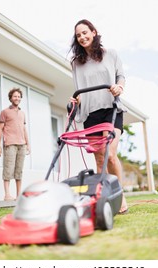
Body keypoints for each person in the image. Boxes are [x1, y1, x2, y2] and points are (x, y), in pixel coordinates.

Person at [70, 19, 128, 214]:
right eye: (78, 35)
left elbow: (121, 76)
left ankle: (119, 197)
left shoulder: (110, 54)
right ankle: (104, 197)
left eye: (85, 32)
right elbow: (78, 87)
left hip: (111, 109)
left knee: (110, 156)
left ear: (94, 32)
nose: (82, 37)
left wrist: (119, 87)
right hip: (90, 113)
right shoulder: (76, 63)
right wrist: (75, 100)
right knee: (98, 159)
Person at [0, 88, 30, 201]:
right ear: (10, 98)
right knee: (8, 169)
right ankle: (7, 195)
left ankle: (18, 195)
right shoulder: (4, 112)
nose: (17, 98)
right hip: (10, 144)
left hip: (22, 145)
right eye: (15, 96)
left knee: (19, 170)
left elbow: (24, 129)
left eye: (19, 96)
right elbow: (0, 129)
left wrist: (28, 144)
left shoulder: (22, 113)